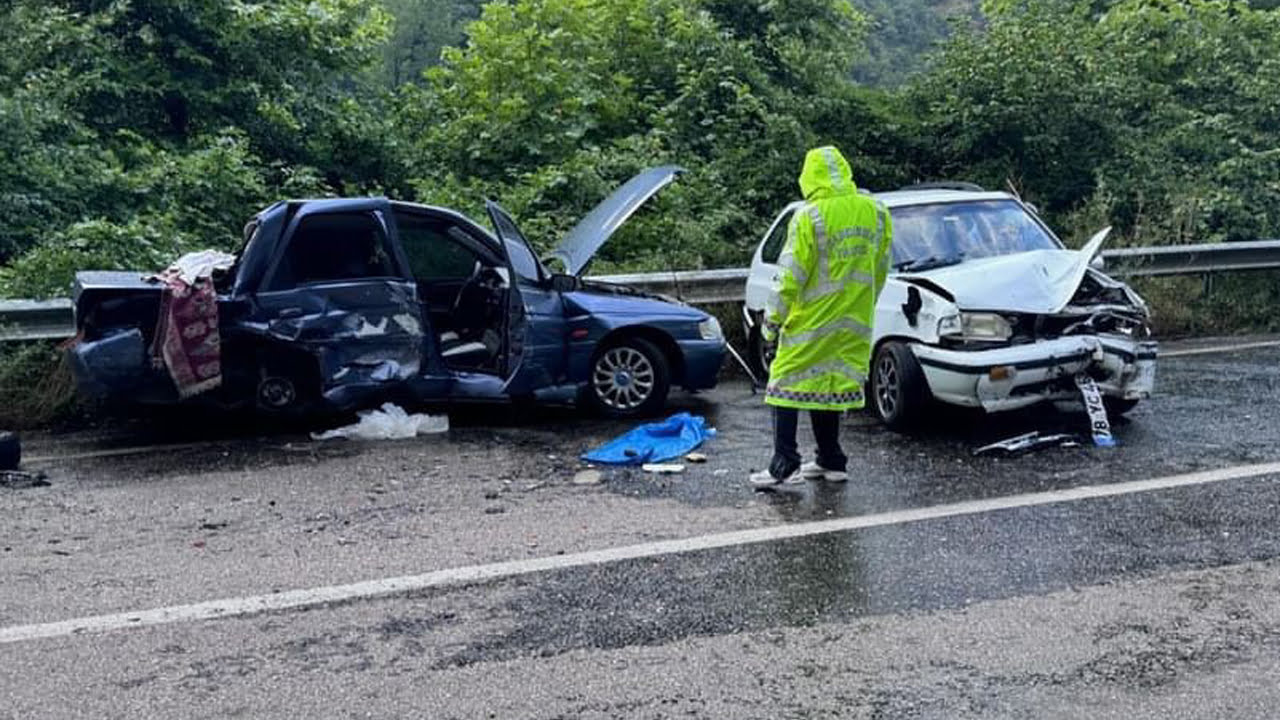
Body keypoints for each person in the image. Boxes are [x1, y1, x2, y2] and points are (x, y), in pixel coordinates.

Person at [749, 146, 892, 489]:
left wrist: (771, 323)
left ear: (808, 176)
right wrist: (864, 303)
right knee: (828, 385)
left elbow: (791, 275)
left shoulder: (809, 216)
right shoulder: (875, 211)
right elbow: (882, 265)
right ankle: (831, 459)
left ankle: (785, 463)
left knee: (782, 386)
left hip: (811, 320)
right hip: (854, 320)